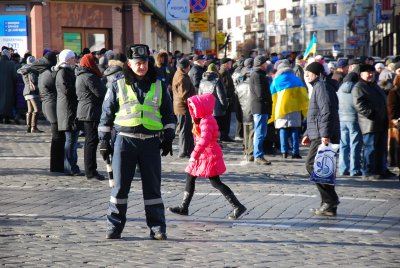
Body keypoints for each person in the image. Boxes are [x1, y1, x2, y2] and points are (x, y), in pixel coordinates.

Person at [98, 44, 176, 240]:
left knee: (153, 188)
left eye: (145, 63)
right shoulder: (117, 84)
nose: (142, 67)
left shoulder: (158, 84)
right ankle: (114, 227)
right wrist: (104, 141)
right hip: (125, 142)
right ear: (130, 64)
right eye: (138, 63)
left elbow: (168, 114)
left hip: (150, 143)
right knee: (120, 188)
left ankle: (157, 227)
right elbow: (106, 114)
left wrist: (168, 136)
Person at [168, 93, 246, 219]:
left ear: (201, 107)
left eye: (194, 107)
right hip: (203, 155)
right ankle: (184, 207)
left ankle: (238, 206)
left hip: (209, 155)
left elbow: (204, 140)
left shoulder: (207, 120)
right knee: (190, 177)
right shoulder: (202, 119)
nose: (192, 110)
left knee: (215, 182)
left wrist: (194, 154)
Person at [301, 61, 340, 216]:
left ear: (316, 74)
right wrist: (307, 134)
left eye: (308, 73)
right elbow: (314, 115)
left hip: (323, 134)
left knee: (312, 166)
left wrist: (325, 135)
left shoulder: (321, 87)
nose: (306, 75)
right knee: (323, 168)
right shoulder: (318, 87)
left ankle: (330, 200)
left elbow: (327, 112)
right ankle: (328, 205)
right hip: (318, 133)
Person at [352, 64, 389, 180]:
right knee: (370, 148)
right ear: (361, 74)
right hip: (370, 123)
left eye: (372, 72)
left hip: (381, 122)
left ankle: (380, 170)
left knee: (381, 148)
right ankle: (368, 171)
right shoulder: (359, 87)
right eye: (367, 72)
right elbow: (359, 104)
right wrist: (372, 114)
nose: (370, 74)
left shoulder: (374, 86)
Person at [76, 53, 107, 180]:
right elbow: (101, 93)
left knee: (90, 141)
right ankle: (91, 171)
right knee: (91, 142)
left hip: (86, 110)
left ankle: (90, 169)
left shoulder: (80, 75)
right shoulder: (89, 76)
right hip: (91, 111)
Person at [269, 59, 308, 159]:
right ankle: (296, 152)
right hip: (295, 108)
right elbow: (303, 95)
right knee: (295, 130)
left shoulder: (276, 80)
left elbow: (271, 96)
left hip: (280, 109)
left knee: (283, 130)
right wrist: (305, 110)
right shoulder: (296, 79)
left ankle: (284, 152)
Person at [55, 49, 82, 176]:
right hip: (68, 110)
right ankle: (70, 167)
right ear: (67, 59)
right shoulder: (63, 72)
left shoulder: (68, 71)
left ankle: (72, 165)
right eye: (73, 58)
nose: (75, 60)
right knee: (71, 140)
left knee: (73, 140)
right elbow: (67, 90)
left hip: (70, 109)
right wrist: (79, 91)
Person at [37, 51, 65, 172]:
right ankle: (56, 166)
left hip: (47, 104)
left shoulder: (43, 72)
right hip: (51, 105)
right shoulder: (47, 73)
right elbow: (56, 87)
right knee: (57, 136)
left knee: (57, 136)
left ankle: (56, 165)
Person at [337, 72, 363, 176]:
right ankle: (355, 169)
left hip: (342, 119)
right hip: (354, 119)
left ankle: (343, 169)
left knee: (343, 144)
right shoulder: (356, 89)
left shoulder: (339, 89)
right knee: (355, 145)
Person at [249, 55, 272, 165]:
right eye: (265, 63)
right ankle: (258, 155)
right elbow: (260, 93)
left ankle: (258, 154)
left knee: (260, 132)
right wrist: (267, 102)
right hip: (260, 107)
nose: (267, 65)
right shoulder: (257, 75)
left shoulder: (258, 74)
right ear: (261, 64)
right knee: (260, 133)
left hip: (260, 107)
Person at [172, 58, 196, 158]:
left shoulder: (178, 74)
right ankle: (183, 151)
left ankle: (189, 149)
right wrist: (192, 103)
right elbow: (184, 94)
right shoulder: (182, 77)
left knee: (186, 129)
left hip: (180, 106)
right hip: (183, 107)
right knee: (184, 129)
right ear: (187, 67)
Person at [198, 63, 228, 140]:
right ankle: (215, 142)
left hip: (206, 108)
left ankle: (210, 141)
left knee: (208, 127)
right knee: (217, 127)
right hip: (216, 108)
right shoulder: (217, 80)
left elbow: (200, 95)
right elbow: (221, 95)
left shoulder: (202, 81)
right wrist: (224, 105)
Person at [18, 55, 45, 133]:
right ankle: (34, 127)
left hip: (26, 91)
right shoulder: (32, 70)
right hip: (33, 91)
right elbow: (33, 80)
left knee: (30, 110)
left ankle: (28, 127)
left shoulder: (23, 69)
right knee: (37, 109)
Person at [236, 58, 254, 161]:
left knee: (246, 132)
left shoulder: (239, 85)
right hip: (251, 109)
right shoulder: (252, 86)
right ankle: (250, 152)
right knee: (251, 132)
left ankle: (246, 150)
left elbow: (237, 102)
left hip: (243, 110)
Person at [219, 58, 236, 142]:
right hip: (227, 98)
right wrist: (227, 98)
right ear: (225, 64)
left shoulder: (225, 71)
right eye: (229, 63)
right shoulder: (224, 72)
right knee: (226, 118)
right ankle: (224, 135)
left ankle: (225, 135)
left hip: (227, 98)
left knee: (226, 118)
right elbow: (225, 87)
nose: (231, 64)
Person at [387, 74, 400, 178]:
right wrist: (396, 120)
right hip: (397, 124)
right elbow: (391, 109)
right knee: (397, 147)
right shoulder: (394, 92)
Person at [0, 48, 17, 124]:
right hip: (9, 85)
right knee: (7, 101)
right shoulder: (11, 64)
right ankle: (7, 118)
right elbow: (14, 76)